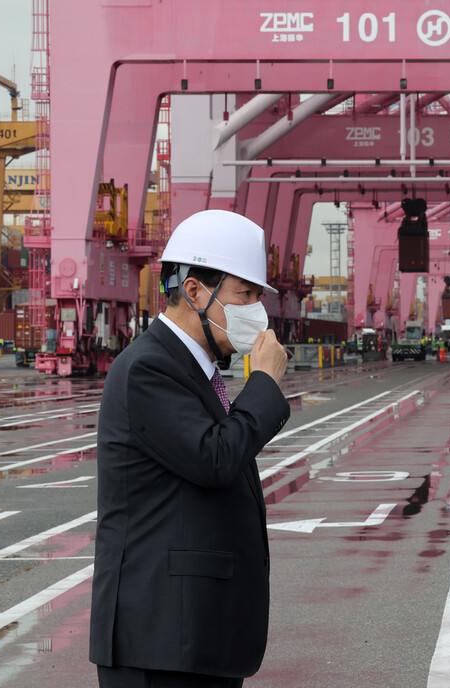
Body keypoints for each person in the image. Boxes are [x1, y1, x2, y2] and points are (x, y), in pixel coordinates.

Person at [90, 210, 290, 688]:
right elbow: (215, 458)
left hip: (193, 636)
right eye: (245, 295)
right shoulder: (148, 367)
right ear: (195, 290)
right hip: (161, 640)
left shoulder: (191, 366)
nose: (255, 312)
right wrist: (263, 384)